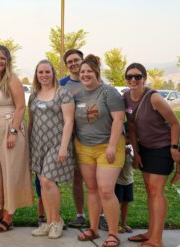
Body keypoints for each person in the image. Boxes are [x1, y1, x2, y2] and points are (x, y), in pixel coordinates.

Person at [123, 63, 180, 247]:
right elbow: (131, 126)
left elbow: (174, 123)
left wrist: (174, 147)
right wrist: (136, 152)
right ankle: (151, 232)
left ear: (144, 79)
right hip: (144, 149)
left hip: (162, 149)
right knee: (150, 192)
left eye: (137, 76)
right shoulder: (126, 97)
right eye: (130, 76)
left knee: (156, 192)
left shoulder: (154, 98)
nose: (133, 79)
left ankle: (157, 239)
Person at [74, 55, 125, 247]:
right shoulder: (78, 95)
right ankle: (93, 229)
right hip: (85, 148)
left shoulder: (108, 92)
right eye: (82, 72)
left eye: (88, 71)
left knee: (105, 190)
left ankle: (113, 233)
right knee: (92, 189)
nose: (85, 74)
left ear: (96, 73)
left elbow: (119, 120)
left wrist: (112, 145)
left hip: (108, 146)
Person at [0, 45, 34, 233]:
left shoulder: (12, 80)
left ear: (8, 61)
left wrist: (12, 131)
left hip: (9, 128)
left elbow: (21, 107)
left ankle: (8, 217)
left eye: (2, 58)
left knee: (10, 173)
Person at [28, 60, 75, 239]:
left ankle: (56, 221)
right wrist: (29, 146)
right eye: (40, 72)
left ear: (53, 73)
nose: (44, 75)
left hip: (57, 143)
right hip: (38, 144)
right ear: (36, 75)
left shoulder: (63, 93)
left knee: (48, 181)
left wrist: (64, 147)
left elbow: (69, 121)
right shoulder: (34, 95)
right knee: (42, 183)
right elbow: (31, 121)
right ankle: (48, 222)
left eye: (47, 71)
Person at [60, 49, 88, 228]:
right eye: (69, 62)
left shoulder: (95, 79)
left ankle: (100, 214)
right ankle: (80, 214)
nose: (73, 64)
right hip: (72, 137)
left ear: (82, 61)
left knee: (97, 179)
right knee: (77, 177)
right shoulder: (62, 84)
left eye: (76, 60)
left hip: (95, 136)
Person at [115, 130, 134, 234]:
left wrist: (133, 156)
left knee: (126, 203)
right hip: (118, 182)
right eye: (127, 138)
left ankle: (123, 223)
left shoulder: (132, 149)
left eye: (131, 138)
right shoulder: (118, 149)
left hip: (129, 181)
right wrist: (122, 152)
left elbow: (135, 166)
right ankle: (115, 224)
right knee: (117, 204)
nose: (129, 141)